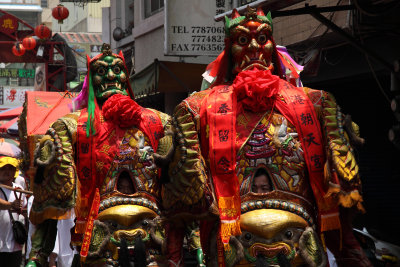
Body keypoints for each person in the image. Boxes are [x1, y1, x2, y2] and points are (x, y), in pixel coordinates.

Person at [162, 6, 372, 266]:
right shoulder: (197, 110)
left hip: (300, 248)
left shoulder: (316, 104)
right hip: (234, 250)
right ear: (229, 48)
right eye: (242, 40)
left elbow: (340, 203)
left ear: (272, 45)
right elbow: (179, 214)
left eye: (262, 39)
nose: (254, 47)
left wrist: (349, 254)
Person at [25, 44, 172, 267]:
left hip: (152, 239)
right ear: (91, 79)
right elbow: (51, 200)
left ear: (126, 76)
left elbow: (180, 191)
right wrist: (37, 256)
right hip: (98, 241)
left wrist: (195, 241)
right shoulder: (70, 127)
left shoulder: (160, 122)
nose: (111, 75)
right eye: (102, 71)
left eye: (117, 69)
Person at [0, 156, 27, 267]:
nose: (7, 171)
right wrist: (11, 205)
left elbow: (25, 209)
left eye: (10, 168)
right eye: (3, 168)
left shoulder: (19, 188)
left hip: (15, 244)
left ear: (14, 172)